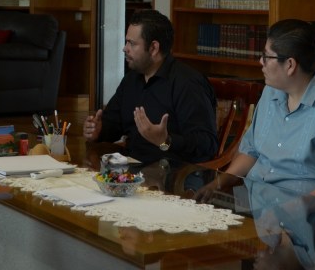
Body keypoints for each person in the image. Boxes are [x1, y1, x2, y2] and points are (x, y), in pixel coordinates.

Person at [196, 19, 315, 204]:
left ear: (290, 65)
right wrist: (218, 183)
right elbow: (251, 151)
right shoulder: (271, 90)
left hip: (305, 212)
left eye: (266, 56)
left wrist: (287, 210)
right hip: (254, 202)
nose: (260, 62)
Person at [83, 9, 218, 165]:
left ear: (153, 48)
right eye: (126, 42)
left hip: (173, 173)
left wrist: (165, 141)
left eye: (132, 43)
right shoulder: (131, 80)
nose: (125, 48)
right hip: (131, 169)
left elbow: (207, 145)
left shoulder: (188, 83)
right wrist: (98, 130)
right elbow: (113, 124)